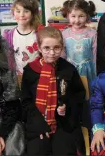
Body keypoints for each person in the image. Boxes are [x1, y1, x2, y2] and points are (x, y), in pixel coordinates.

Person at [21, 26, 86, 155]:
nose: (52, 52)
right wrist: (39, 124)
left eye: (56, 48)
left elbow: (79, 95)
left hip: (63, 123)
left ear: (62, 48)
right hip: (37, 122)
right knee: (37, 151)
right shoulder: (30, 70)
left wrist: (66, 106)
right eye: (46, 48)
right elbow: (25, 101)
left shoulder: (68, 69)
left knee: (64, 151)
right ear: (39, 48)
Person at [3, 0, 44, 85]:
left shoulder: (40, 33)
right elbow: (7, 58)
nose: (22, 15)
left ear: (33, 14)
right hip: (19, 76)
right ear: (13, 13)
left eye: (26, 11)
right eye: (18, 11)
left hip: (38, 76)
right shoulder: (9, 35)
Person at [61, 0, 97, 85]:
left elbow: (95, 55)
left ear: (87, 16)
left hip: (88, 71)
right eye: (73, 16)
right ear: (68, 16)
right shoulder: (64, 34)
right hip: (70, 70)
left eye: (81, 16)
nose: (77, 20)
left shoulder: (92, 33)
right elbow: (62, 55)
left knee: (88, 92)